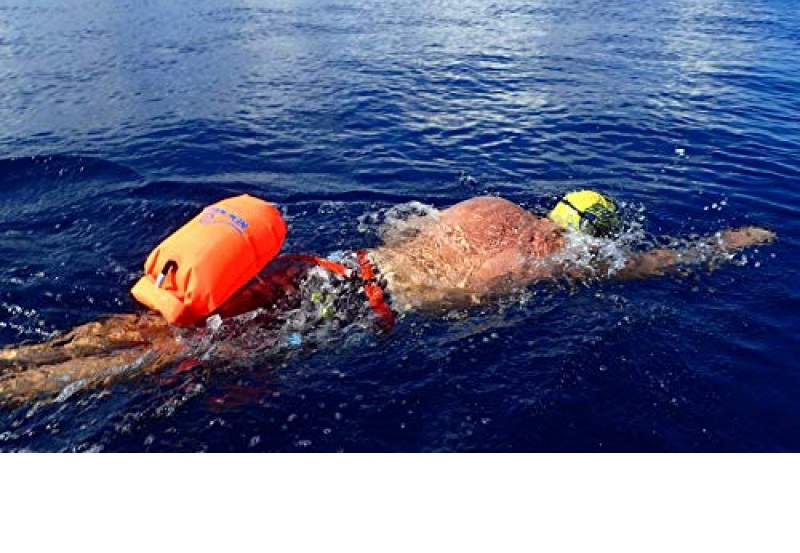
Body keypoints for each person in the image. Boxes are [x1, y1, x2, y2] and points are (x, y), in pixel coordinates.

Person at [0, 190, 776, 408]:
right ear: (583, 235)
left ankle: (17, 359)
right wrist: (734, 243)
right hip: (341, 312)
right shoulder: (544, 263)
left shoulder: (487, 205)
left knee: (152, 325)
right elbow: (650, 265)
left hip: (322, 268)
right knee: (162, 359)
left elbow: (408, 225)